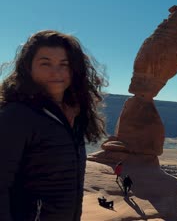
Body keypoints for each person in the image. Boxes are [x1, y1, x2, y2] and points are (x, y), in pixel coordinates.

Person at [0, 30, 107, 220]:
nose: (56, 72)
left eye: (64, 64)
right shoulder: (16, 115)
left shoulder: (74, 115)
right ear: (27, 67)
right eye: (45, 63)